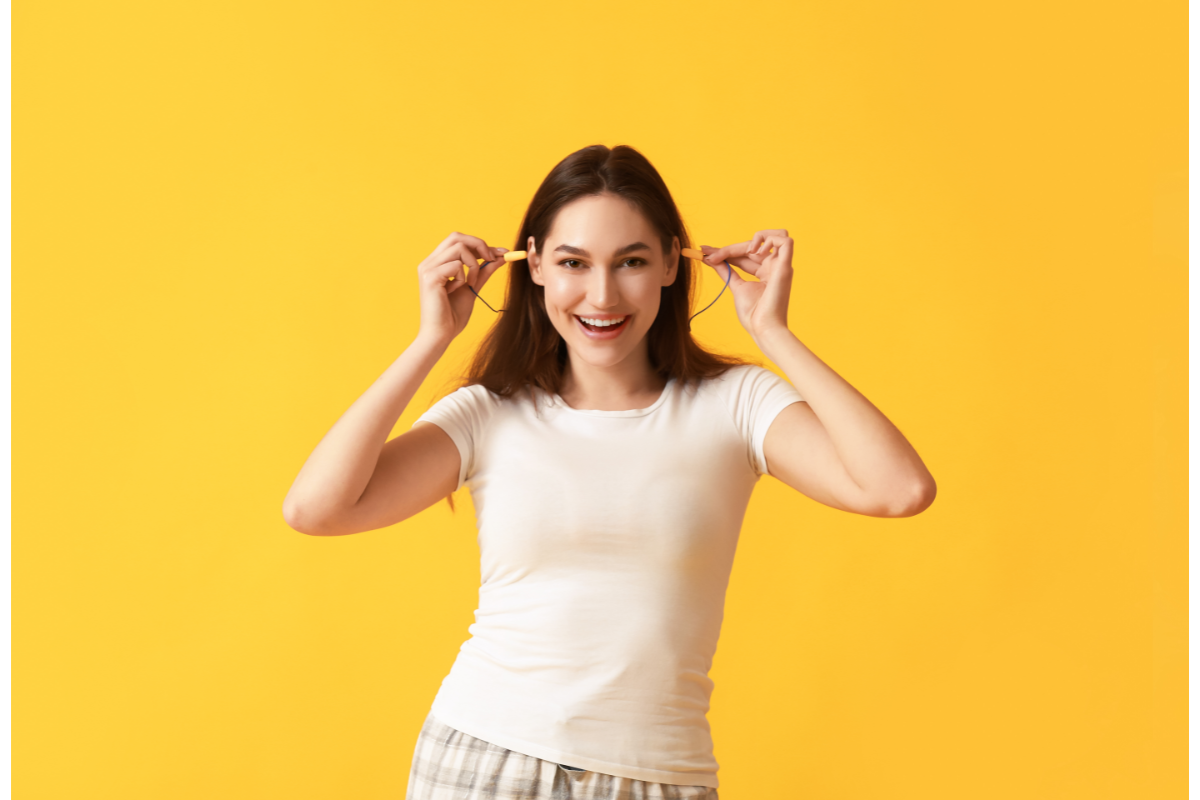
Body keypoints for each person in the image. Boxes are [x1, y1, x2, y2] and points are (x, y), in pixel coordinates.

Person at [282, 144, 936, 800]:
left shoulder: (734, 404)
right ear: (534, 265)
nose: (602, 295)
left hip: (659, 775)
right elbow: (316, 509)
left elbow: (898, 489)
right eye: (572, 263)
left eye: (631, 262)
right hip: (483, 761)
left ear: (672, 264)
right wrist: (431, 340)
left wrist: (774, 334)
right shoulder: (491, 414)